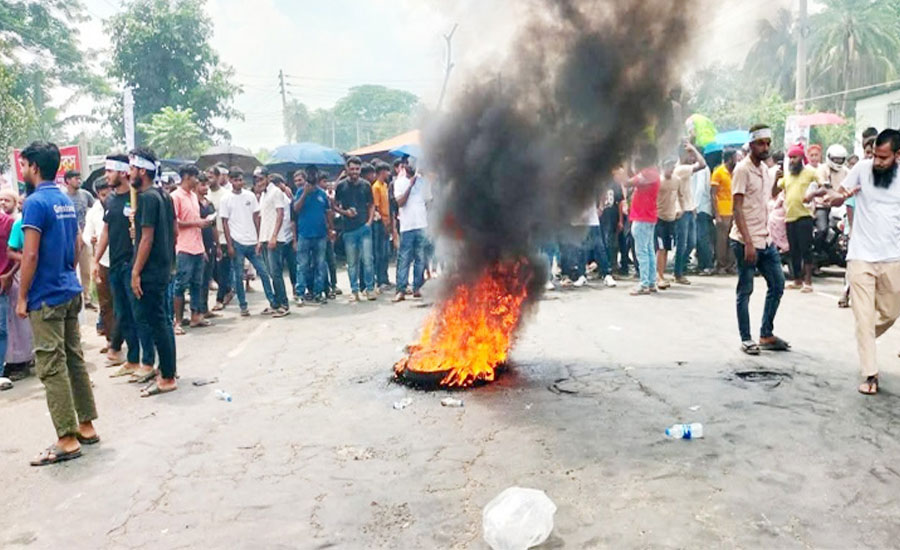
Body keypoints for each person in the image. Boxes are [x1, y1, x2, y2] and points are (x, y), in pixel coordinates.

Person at [17, 141, 98, 465]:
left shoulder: (35, 203)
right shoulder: (64, 200)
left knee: (52, 366)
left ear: (34, 167)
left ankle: (66, 438)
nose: (22, 171)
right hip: (68, 290)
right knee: (74, 360)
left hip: (46, 296)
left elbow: (31, 253)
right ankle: (86, 425)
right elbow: (78, 243)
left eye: (24, 165)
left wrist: (22, 297)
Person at [825, 129, 900, 395]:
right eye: (876, 156)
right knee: (864, 318)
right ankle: (870, 374)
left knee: (890, 313)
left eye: (884, 157)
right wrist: (838, 197)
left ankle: (863, 337)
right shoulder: (861, 169)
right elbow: (839, 194)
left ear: (897, 155)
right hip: (860, 257)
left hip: (893, 257)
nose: (878, 162)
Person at [729, 125, 789, 356]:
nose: (765, 147)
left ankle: (766, 333)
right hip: (746, 240)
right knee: (745, 290)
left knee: (778, 284)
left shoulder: (765, 169)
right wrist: (748, 243)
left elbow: (767, 197)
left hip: (765, 239)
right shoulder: (742, 170)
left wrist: (776, 183)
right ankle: (746, 338)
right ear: (751, 144)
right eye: (760, 143)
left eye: (768, 143)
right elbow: (737, 208)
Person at [92, 153, 148, 380]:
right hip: (114, 266)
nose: (106, 176)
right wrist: (96, 261)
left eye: (109, 171)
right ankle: (132, 359)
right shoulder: (111, 200)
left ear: (124, 172)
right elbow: (106, 231)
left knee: (138, 314)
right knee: (121, 313)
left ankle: (146, 361)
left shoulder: (139, 199)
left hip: (132, 265)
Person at [129, 148, 178, 397]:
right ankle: (167, 370)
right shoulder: (164, 195)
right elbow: (174, 231)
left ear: (142, 170)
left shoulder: (148, 197)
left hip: (151, 270)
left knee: (157, 321)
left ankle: (167, 377)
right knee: (163, 320)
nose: (129, 173)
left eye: (132, 168)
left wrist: (136, 271)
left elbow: (146, 238)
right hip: (163, 266)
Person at [220, 167, 280, 316]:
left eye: (241, 179)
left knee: (264, 273)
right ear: (230, 181)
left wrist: (259, 239)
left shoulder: (250, 196)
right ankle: (243, 306)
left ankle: (272, 301)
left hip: (252, 241)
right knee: (239, 276)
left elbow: (256, 218)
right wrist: (229, 245)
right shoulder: (225, 199)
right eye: (236, 180)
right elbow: (225, 223)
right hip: (237, 242)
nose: (239, 182)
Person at [171, 164, 212, 333]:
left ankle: (196, 315)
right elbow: (175, 222)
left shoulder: (193, 197)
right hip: (183, 247)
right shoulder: (175, 197)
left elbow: (195, 220)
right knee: (181, 284)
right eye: (195, 177)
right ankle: (178, 321)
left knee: (197, 283)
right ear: (187, 177)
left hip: (197, 246)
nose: (197, 181)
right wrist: (197, 223)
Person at [83, 178, 117, 354]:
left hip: (121, 259)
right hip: (103, 260)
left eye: (109, 193)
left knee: (123, 302)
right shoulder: (93, 212)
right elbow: (86, 236)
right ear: (98, 195)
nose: (107, 197)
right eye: (104, 195)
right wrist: (92, 240)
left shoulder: (121, 205)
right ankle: (112, 341)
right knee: (105, 303)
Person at [3, 193, 35, 382]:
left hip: (26, 276)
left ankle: (25, 359)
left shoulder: (13, 223)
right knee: (13, 322)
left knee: (24, 321)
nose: (3, 204)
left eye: (7, 200)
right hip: (17, 274)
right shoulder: (17, 225)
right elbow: (11, 251)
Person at [335, 157, 376, 302]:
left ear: (360, 170)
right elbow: (334, 205)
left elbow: (372, 204)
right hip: (348, 230)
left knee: (368, 260)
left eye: (357, 169)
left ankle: (370, 289)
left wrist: (369, 222)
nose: (354, 172)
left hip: (364, 228)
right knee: (352, 263)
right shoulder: (341, 186)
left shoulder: (366, 185)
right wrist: (345, 213)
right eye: (352, 169)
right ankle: (354, 291)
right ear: (347, 169)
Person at [779, 144, 819, 292]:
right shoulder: (787, 175)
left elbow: (824, 186)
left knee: (805, 249)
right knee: (793, 250)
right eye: (790, 158)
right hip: (789, 216)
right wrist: (776, 177)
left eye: (794, 157)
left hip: (805, 216)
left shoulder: (810, 172)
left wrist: (812, 194)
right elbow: (775, 189)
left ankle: (808, 282)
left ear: (802, 158)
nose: (792, 160)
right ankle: (797, 280)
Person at [293, 167, 333, 305]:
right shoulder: (300, 192)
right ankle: (300, 293)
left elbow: (328, 213)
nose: (312, 176)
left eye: (314, 174)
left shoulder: (322, 194)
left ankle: (318, 292)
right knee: (302, 265)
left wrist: (330, 230)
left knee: (320, 265)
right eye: (309, 174)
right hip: (304, 234)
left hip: (321, 234)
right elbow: (296, 209)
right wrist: (305, 193)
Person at [392, 160, 431, 302]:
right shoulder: (399, 182)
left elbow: (428, 202)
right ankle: (401, 290)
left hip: (421, 225)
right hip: (407, 227)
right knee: (404, 259)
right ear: (405, 166)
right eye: (410, 163)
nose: (413, 166)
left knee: (420, 258)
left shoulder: (424, 182)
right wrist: (410, 185)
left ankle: (417, 288)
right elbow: (400, 202)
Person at [255, 167, 291, 316]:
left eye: (261, 178)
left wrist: (274, 236)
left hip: (274, 239)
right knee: (271, 272)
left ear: (268, 178)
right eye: (256, 179)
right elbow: (263, 219)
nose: (259, 182)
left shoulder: (276, 192)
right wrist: (259, 240)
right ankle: (276, 303)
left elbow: (280, 214)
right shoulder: (263, 195)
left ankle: (284, 304)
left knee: (276, 272)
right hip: (265, 238)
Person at [627, 143, 661, 295]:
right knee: (648, 250)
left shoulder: (647, 173)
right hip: (649, 216)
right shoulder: (653, 172)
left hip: (642, 216)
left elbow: (628, 182)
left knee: (642, 251)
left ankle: (644, 283)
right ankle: (651, 282)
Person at [673, 142, 707, 285]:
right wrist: (693, 149)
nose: (692, 157)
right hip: (683, 211)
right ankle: (678, 272)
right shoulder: (681, 169)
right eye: (690, 155)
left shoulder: (681, 168)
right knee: (684, 243)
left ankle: (679, 268)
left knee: (690, 242)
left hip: (688, 208)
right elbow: (702, 164)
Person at [63, 170, 96, 310]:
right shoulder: (63, 197)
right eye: (76, 178)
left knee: (86, 269)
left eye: (79, 178)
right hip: (68, 238)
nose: (79, 180)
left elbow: (95, 212)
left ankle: (87, 297)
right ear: (67, 181)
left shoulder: (86, 195)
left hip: (85, 236)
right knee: (70, 267)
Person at [654, 158, 686, 289]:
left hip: (671, 218)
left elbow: (681, 196)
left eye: (672, 167)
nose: (671, 169)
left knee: (667, 248)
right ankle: (659, 276)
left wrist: (681, 209)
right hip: (659, 218)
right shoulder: (658, 181)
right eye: (668, 166)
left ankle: (661, 273)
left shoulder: (677, 180)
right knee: (660, 248)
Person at [208, 165, 233, 311]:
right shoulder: (205, 194)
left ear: (218, 177)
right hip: (209, 236)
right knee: (213, 271)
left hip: (223, 236)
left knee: (222, 269)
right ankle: (228, 289)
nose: (209, 179)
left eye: (212, 176)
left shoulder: (225, 194)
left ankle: (219, 299)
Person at [711, 149, 738, 274]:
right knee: (722, 240)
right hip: (722, 210)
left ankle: (730, 265)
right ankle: (721, 265)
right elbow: (713, 194)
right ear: (730, 158)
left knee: (733, 239)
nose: (737, 160)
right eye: (735, 157)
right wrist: (716, 214)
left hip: (734, 210)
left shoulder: (735, 173)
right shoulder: (718, 172)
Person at [196, 174, 219, 318]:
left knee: (207, 278)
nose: (205, 188)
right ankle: (197, 310)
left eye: (206, 185)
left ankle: (205, 308)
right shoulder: (193, 204)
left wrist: (216, 244)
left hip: (210, 243)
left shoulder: (209, 204)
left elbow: (214, 225)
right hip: (198, 244)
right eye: (202, 185)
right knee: (198, 280)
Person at [600, 168, 626, 284]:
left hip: (612, 217)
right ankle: (602, 268)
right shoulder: (599, 183)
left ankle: (612, 268)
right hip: (601, 218)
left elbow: (620, 202)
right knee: (601, 243)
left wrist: (620, 220)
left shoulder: (615, 184)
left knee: (612, 244)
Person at [691, 152, 715, 275]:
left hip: (701, 208)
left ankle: (707, 265)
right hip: (702, 207)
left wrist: (694, 205)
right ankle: (702, 265)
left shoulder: (701, 168)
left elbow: (700, 188)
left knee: (702, 238)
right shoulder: (704, 168)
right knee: (701, 238)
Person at [371, 162, 393, 291]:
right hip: (379, 223)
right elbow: (377, 206)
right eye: (386, 171)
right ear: (381, 172)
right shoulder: (376, 187)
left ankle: (385, 278)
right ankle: (380, 280)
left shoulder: (385, 185)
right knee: (379, 252)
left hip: (387, 221)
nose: (388, 174)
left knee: (386, 253)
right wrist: (384, 223)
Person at [0, 192, 14, 390]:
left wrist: (10, 273)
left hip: (1, 281)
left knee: (1, 330)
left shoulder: (8, 223)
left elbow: (17, 251)